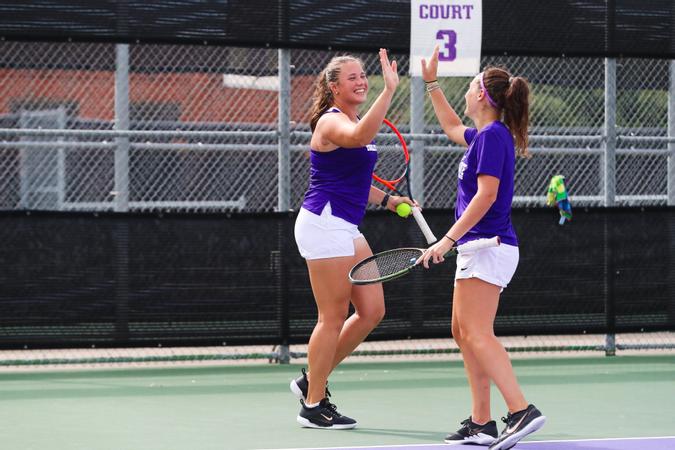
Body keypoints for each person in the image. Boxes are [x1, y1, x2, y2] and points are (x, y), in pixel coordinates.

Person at [417, 46, 546, 449]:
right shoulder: (483, 137)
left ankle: (521, 409)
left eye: (472, 87)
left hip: (488, 246)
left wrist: (448, 239)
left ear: (483, 97)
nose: (467, 92)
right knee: (463, 331)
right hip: (477, 247)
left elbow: (486, 195)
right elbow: (453, 128)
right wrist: (432, 84)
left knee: (476, 331)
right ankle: (481, 423)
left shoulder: (493, 136)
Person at [291, 49, 411, 429]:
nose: (362, 81)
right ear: (333, 86)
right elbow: (360, 137)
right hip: (324, 224)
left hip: (345, 224)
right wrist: (389, 90)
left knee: (372, 310)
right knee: (332, 316)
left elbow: (357, 181)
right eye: (353, 77)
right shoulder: (330, 123)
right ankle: (312, 405)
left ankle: (313, 377)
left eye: (364, 76)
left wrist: (389, 200)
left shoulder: (353, 117)